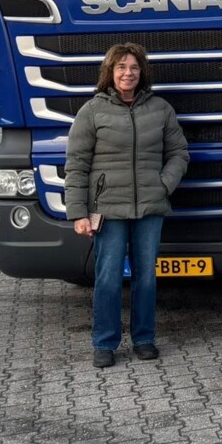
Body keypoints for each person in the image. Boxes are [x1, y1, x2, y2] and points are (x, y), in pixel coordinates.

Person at [65, 43, 189, 367]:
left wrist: (163, 185)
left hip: (150, 206)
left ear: (142, 72)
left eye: (134, 67)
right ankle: (104, 343)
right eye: (121, 67)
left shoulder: (160, 109)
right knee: (107, 278)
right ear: (110, 72)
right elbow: (76, 165)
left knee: (146, 277)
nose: (127, 73)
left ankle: (144, 339)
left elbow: (179, 153)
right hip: (108, 209)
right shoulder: (92, 111)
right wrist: (78, 213)